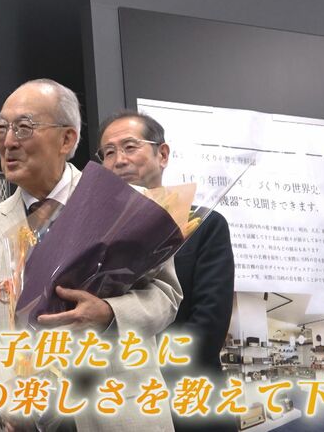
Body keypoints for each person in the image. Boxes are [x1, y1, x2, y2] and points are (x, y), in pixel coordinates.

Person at [0, 79, 182, 431]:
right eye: (1, 128)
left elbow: (166, 296)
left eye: (24, 127)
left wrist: (109, 313)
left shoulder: (126, 204)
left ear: (67, 139)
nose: (8, 141)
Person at [98, 110, 235, 431]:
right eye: (108, 152)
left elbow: (208, 325)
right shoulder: (96, 234)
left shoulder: (203, 225)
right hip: (120, 406)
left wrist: (143, 370)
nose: (119, 160)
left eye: (130, 147)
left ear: (162, 154)